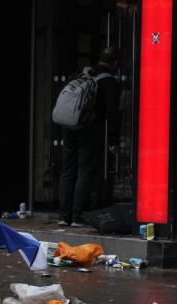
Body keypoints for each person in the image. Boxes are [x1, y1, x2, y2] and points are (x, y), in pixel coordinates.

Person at [58, 47, 120, 227]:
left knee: (68, 170)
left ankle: (64, 216)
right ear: (115, 63)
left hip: (69, 127)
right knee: (86, 172)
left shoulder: (81, 74)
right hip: (90, 130)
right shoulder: (109, 82)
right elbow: (112, 114)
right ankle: (78, 216)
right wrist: (113, 140)